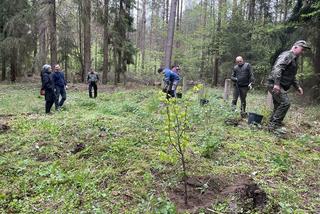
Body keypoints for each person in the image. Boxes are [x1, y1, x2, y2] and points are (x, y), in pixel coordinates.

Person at [267, 40, 310, 131]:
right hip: (275, 84)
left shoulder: (294, 58)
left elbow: (291, 76)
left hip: (278, 84)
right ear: (295, 47)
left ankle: (272, 123)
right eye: (302, 49)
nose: (303, 52)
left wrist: (297, 87)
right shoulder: (287, 55)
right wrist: (277, 84)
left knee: (278, 105)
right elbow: (278, 68)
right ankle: (274, 125)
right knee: (285, 103)